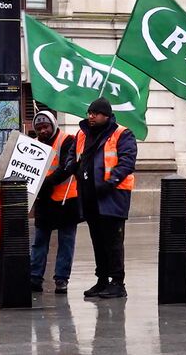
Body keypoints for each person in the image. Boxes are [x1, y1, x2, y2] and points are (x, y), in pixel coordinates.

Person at [66, 97, 137, 299]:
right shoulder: (82, 133)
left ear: (106, 115)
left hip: (112, 197)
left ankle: (117, 282)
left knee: (113, 242)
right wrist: (72, 165)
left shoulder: (121, 134)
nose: (91, 116)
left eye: (95, 113)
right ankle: (102, 280)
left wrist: (111, 182)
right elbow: (73, 155)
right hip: (89, 196)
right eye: (89, 112)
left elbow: (127, 162)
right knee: (97, 240)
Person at [30, 111, 80, 294]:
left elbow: (68, 166)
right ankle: (34, 277)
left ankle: (61, 279)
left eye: (45, 127)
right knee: (39, 241)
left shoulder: (67, 140)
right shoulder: (34, 144)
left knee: (66, 242)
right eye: (39, 128)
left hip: (67, 199)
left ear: (53, 125)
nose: (42, 131)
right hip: (45, 200)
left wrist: (48, 183)